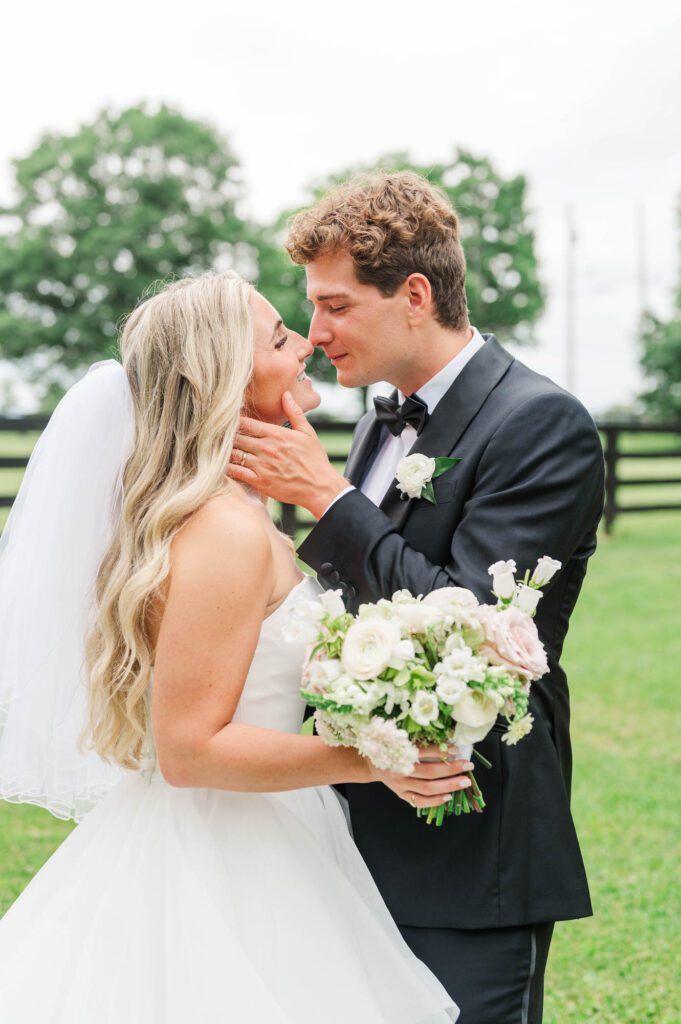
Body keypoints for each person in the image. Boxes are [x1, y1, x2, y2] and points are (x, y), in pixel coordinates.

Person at [0, 271, 467, 1022]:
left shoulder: (238, 511)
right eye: (281, 338)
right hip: (220, 858)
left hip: (273, 830)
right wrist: (375, 758)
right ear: (222, 374)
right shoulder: (223, 530)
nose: (308, 341)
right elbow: (187, 750)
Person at [229, 172, 606, 1023]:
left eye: (334, 306)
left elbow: (476, 629)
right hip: (349, 821)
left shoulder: (540, 424)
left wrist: (328, 502)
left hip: (468, 833)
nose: (317, 333)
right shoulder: (377, 420)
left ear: (412, 294)